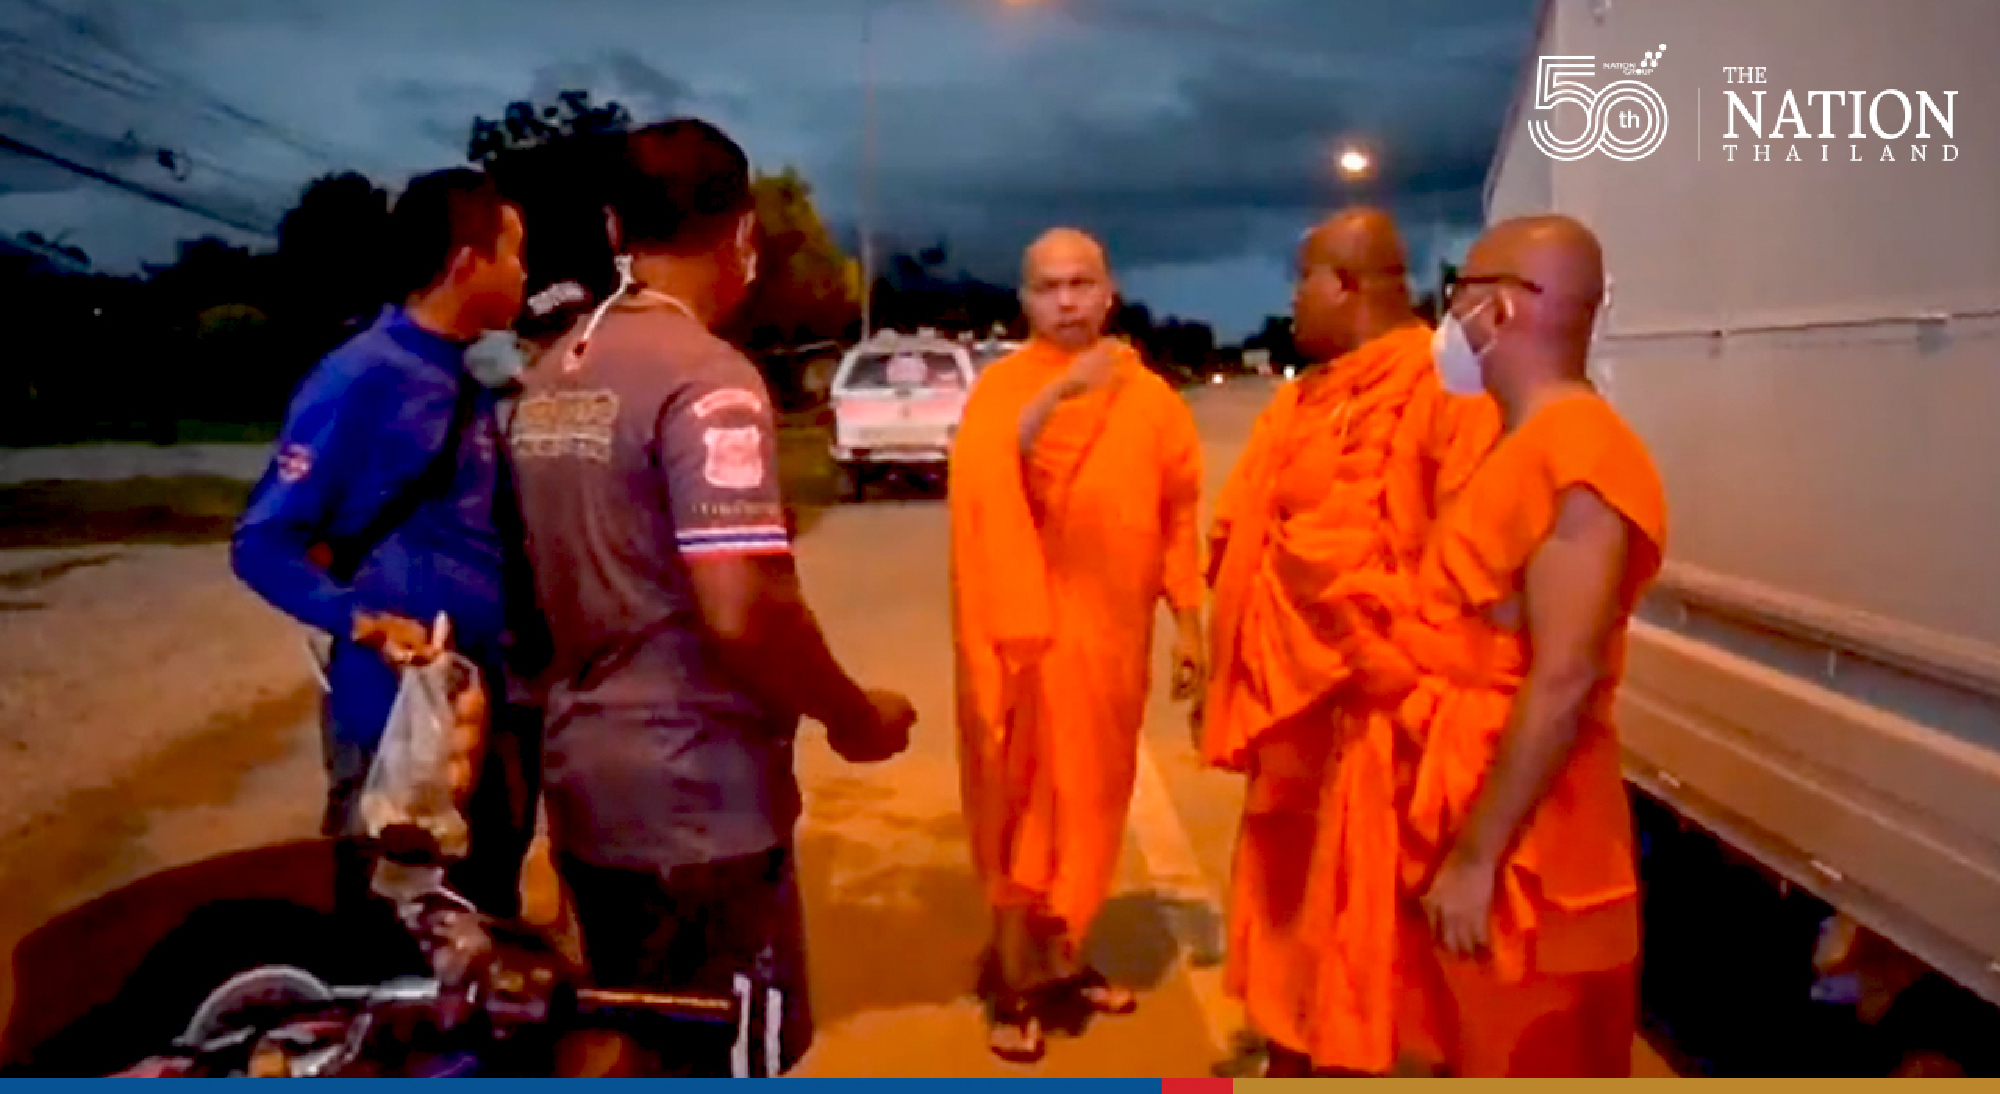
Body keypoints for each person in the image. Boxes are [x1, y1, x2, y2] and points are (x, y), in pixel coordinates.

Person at [506, 117, 915, 1078]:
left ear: (615, 230)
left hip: (591, 797)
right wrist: (854, 716)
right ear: (742, 238)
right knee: (736, 1057)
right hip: (702, 805)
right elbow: (740, 604)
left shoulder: (550, 376)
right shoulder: (710, 381)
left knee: (628, 1048)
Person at [1344, 214, 1666, 1076]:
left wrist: (1479, 859)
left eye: (1459, 294)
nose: (1450, 318)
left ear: (1502, 308)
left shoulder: (1583, 456)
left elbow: (1563, 679)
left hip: (1532, 845)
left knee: (1524, 1050)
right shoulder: (1518, 442)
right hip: (1468, 796)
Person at [1200, 209, 1499, 1076]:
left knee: (1363, 910)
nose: (1292, 301)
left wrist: (1397, 665)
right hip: (1290, 707)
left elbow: (1465, 563)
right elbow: (1247, 532)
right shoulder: (1306, 397)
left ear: (1342, 284)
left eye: (1301, 280)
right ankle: (1296, 1037)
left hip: (1377, 712)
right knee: (1291, 891)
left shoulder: (1445, 392)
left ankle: (1341, 1049)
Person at [231, 167, 542, 918]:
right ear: (468, 264)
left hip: (482, 719)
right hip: (395, 732)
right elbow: (262, 542)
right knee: (387, 945)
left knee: (480, 930)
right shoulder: (362, 378)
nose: (526, 273)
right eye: (516, 253)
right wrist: (364, 623)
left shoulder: (466, 379)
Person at [949, 227, 1205, 1062]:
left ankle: (1063, 956)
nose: (1065, 301)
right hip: (1022, 641)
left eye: (1080, 284)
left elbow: (1178, 515)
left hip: (1110, 641)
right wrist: (1057, 402)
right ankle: (1012, 979)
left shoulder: (1151, 398)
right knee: (1023, 803)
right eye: (1048, 287)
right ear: (1023, 301)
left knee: (1093, 804)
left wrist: (1189, 623)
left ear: (1109, 292)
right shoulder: (1002, 391)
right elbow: (989, 479)